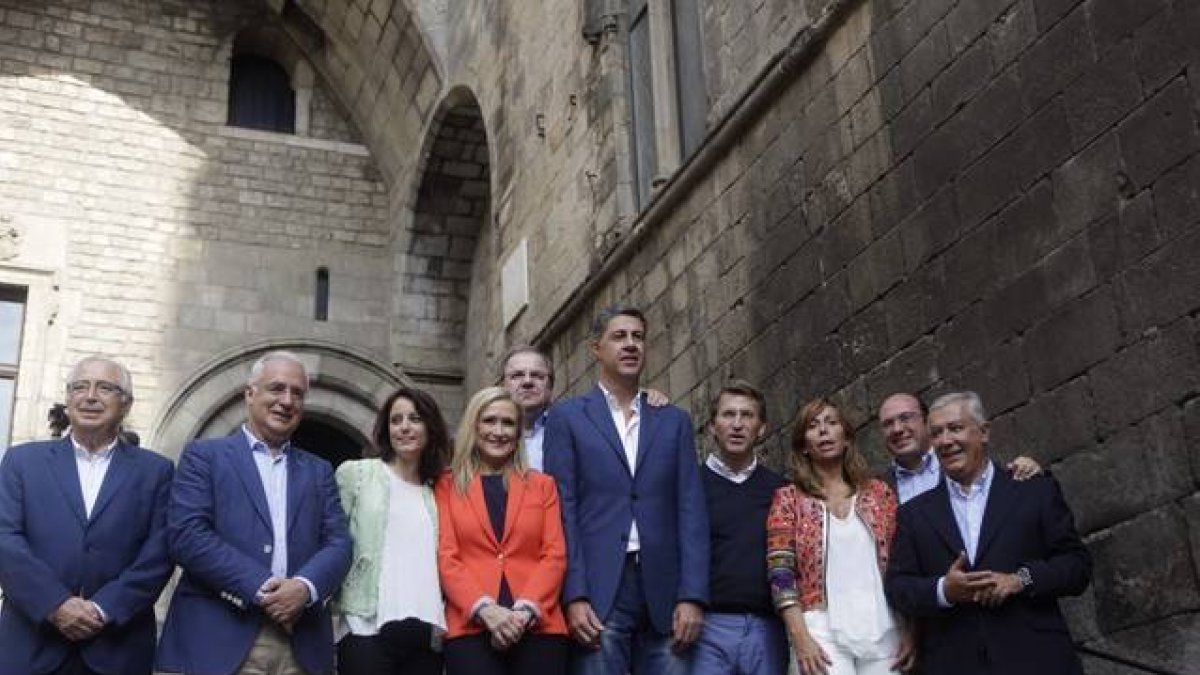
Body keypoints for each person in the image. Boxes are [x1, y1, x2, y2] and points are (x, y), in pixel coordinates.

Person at [156, 351, 352, 675]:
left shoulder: (319, 470)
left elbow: (339, 543)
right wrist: (265, 589)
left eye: (297, 393)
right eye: (276, 388)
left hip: (300, 643)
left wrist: (303, 588)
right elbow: (187, 535)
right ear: (250, 394)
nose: (287, 400)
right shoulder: (204, 457)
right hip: (218, 636)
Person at [544, 306, 708, 675]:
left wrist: (693, 595)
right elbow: (562, 510)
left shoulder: (673, 421)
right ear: (596, 349)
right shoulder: (567, 418)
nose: (631, 344)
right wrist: (574, 594)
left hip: (665, 590)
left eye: (638, 336)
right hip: (601, 590)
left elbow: (691, 509)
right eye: (619, 337)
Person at [884, 392, 1091, 674]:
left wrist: (1021, 579)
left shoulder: (1033, 490)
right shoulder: (913, 514)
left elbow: (1076, 565)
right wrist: (945, 590)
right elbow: (898, 588)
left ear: (984, 432)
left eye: (955, 428)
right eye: (937, 433)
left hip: (1038, 659)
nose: (946, 441)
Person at [0, 357, 174, 675]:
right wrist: (55, 605)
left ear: (126, 404)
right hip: (31, 648)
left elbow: (159, 554)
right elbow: (5, 541)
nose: (90, 396)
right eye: (80, 387)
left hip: (117, 649)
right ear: (68, 400)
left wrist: (102, 609)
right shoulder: (21, 462)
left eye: (105, 388)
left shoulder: (156, 472)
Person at [767, 398, 914, 675]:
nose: (823, 431)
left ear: (846, 438)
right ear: (803, 446)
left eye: (832, 423)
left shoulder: (879, 493)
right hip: (820, 629)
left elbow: (904, 563)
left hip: (885, 623)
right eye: (813, 426)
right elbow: (780, 573)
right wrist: (800, 637)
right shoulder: (788, 499)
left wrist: (911, 628)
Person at [434, 386, 568, 675]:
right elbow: (447, 556)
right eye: (489, 420)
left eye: (508, 423)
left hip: (539, 625)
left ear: (519, 433)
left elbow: (554, 554)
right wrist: (486, 611)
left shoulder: (543, 485)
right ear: (474, 426)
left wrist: (523, 613)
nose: (499, 431)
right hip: (470, 627)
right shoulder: (446, 486)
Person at [332, 387, 451, 675]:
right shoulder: (357, 474)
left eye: (414, 418)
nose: (405, 427)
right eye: (396, 420)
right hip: (365, 627)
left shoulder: (440, 488)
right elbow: (332, 543)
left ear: (430, 427)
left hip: (425, 632)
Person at [693, 381, 789, 675]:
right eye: (728, 415)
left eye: (747, 416)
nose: (737, 424)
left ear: (761, 428)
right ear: (712, 426)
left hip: (767, 629)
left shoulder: (780, 491)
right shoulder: (689, 486)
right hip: (705, 628)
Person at [499, 346, 668, 471]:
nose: (528, 382)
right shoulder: (485, 434)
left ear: (550, 389)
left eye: (537, 376)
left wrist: (640, 400)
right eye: (517, 375)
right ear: (502, 386)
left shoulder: (579, 425)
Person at [876, 392, 1041, 504]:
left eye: (906, 418)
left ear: (927, 422)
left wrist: (1028, 470)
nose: (897, 429)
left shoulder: (969, 462)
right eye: (887, 424)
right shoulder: (876, 493)